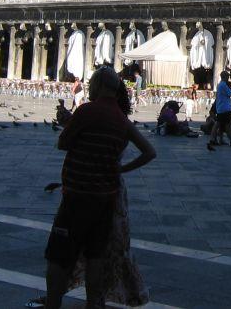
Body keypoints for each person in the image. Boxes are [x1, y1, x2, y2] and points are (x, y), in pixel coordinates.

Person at [42, 66, 155, 309]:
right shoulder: (122, 120)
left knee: (59, 255)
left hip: (77, 195)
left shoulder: (87, 111)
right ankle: (93, 304)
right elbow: (149, 152)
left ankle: (52, 304)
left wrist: (69, 123)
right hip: (105, 198)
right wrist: (121, 169)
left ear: (99, 86)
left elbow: (63, 143)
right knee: (96, 256)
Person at [208, 71, 231, 148]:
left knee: (218, 124)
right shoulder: (224, 85)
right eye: (228, 76)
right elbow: (230, 93)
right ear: (225, 77)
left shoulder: (220, 84)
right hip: (225, 108)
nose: (228, 78)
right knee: (226, 125)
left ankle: (213, 139)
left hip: (221, 108)